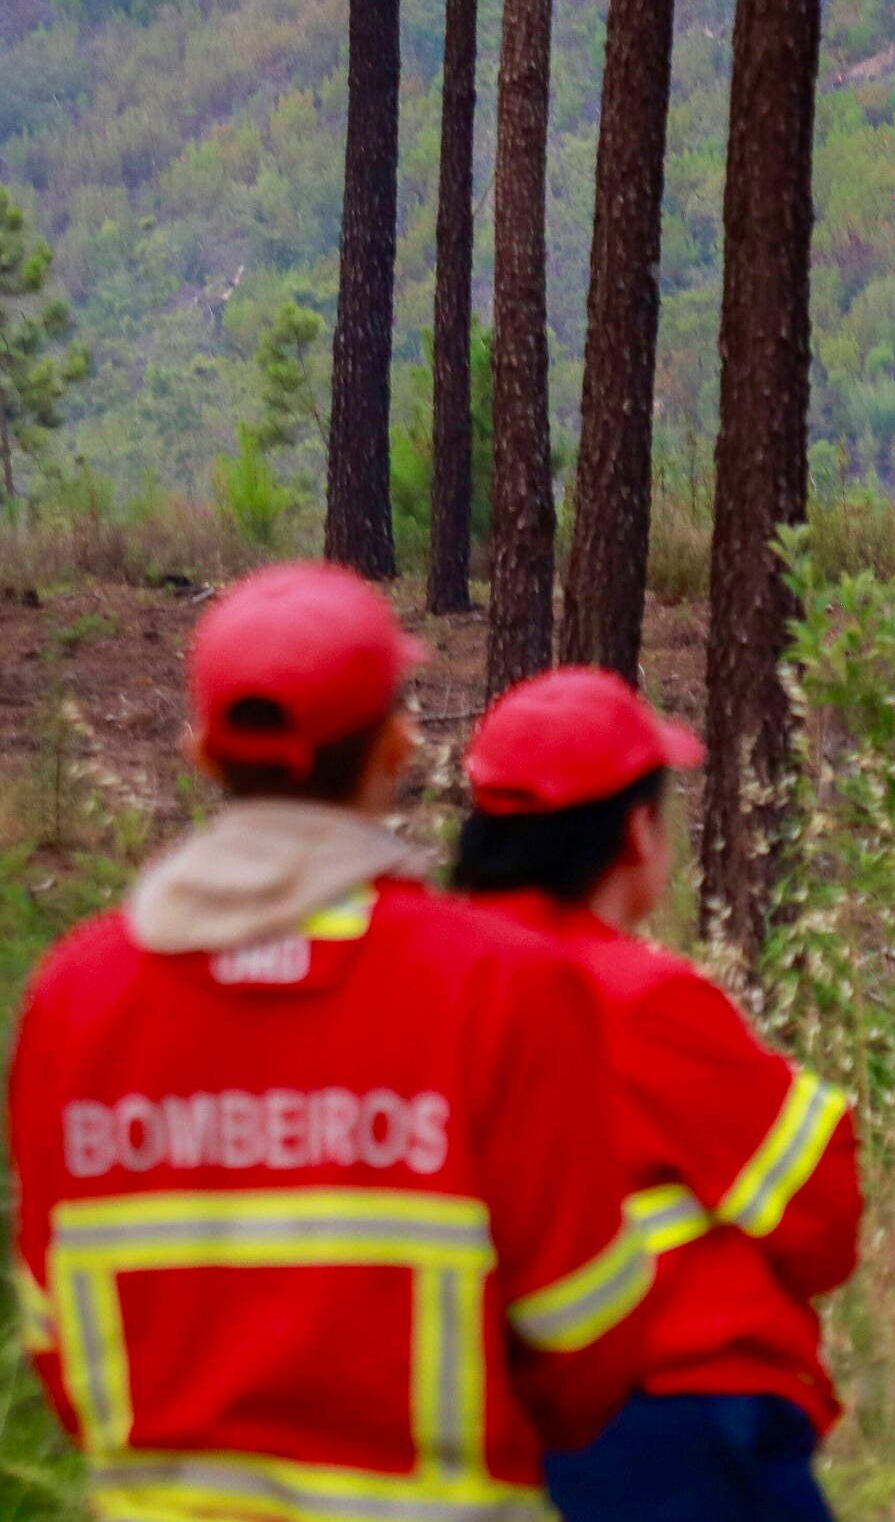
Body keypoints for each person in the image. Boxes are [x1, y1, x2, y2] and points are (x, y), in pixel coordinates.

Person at [7, 562, 656, 1519]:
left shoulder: (73, 995)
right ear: (398, 745)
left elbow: (59, 1340)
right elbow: (589, 1348)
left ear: (199, 750)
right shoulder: (500, 987)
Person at [449, 664, 865, 1522]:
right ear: (639, 832)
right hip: (672, 1421)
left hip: (462, 1421)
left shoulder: (424, 981)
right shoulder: (641, 998)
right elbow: (820, 1215)